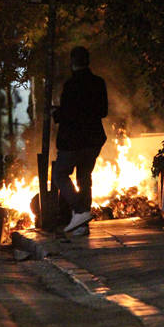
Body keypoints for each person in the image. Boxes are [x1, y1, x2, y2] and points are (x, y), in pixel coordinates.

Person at [53, 47, 108, 233]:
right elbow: (103, 111)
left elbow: (69, 113)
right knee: (84, 178)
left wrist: (57, 113)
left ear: (72, 62)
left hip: (73, 140)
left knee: (59, 174)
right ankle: (81, 226)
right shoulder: (99, 83)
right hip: (93, 139)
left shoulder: (71, 85)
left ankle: (80, 210)